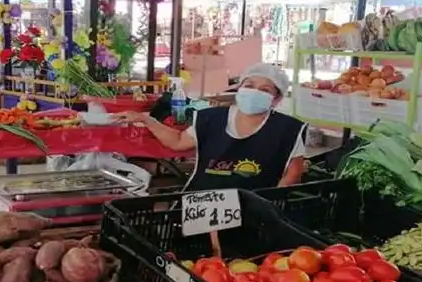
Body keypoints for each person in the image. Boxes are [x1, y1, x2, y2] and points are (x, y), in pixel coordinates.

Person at [116, 63, 307, 191]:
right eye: (249, 85)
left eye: (265, 90)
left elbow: (293, 173)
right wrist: (147, 120)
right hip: (204, 203)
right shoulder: (211, 118)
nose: (254, 92)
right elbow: (178, 141)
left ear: (277, 99)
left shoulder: (287, 129)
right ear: (239, 89)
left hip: (255, 208)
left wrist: (270, 207)